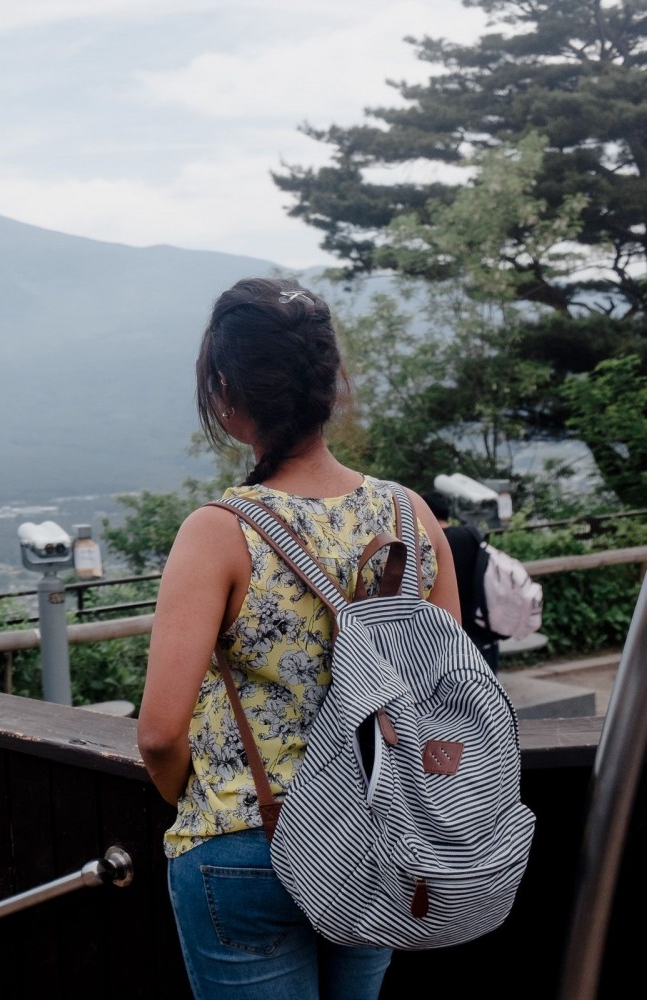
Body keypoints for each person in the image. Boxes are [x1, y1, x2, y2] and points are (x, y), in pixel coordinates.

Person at [134, 278, 461, 999]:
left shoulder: (220, 532)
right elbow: (448, 701)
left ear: (225, 390)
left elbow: (159, 734)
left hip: (253, 843)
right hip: (378, 840)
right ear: (327, 382)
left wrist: (203, 799)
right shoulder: (411, 517)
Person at [422, 491, 501, 671]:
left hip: (449, 636)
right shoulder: (470, 534)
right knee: (488, 692)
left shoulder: (428, 545)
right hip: (483, 623)